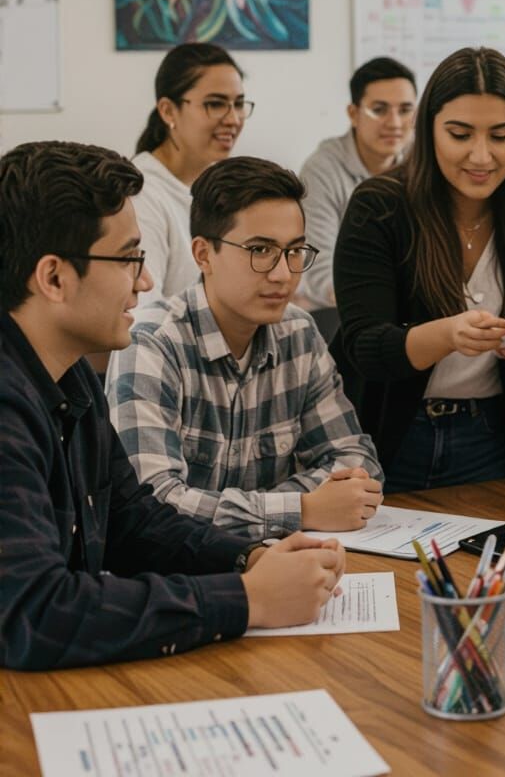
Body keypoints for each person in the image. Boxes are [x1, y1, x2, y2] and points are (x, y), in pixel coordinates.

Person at [0, 141, 346, 671]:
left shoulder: (69, 375)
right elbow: (35, 613)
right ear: (53, 278)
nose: (145, 280)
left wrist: (250, 558)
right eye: (129, 258)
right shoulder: (8, 405)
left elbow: (132, 518)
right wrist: (248, 599)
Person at [107, 157, 383, 541]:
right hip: (178, 579)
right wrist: (303, 509)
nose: (283, 274)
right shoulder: (152, 344)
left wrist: (255, 512)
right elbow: (155, 504)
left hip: (281, 562)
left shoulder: (298, 332)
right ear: (203, 254)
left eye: (295, 251)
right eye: (260, 250)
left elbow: (356, 461)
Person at [331, 46, 505, 491]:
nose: (481, 157)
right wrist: (447, 335)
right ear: (429, 129)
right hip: (385, 441)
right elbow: (365, 346)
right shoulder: (379, 207)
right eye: (460, 134)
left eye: (500, 135)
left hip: (490, 439)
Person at [133, 42, 251, 306]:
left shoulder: (221, 182)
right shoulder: (142, 195)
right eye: (215, 104)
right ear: (168, 110)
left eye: (239, 104)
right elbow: (143, 314)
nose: (233, 119)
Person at [298, 57, 417, 319]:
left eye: (405, 110)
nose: (395, 123)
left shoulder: (423, 163)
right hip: (344, 310)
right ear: (354, 114)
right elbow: (318, 269)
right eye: (379, 109)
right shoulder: (322, 170)